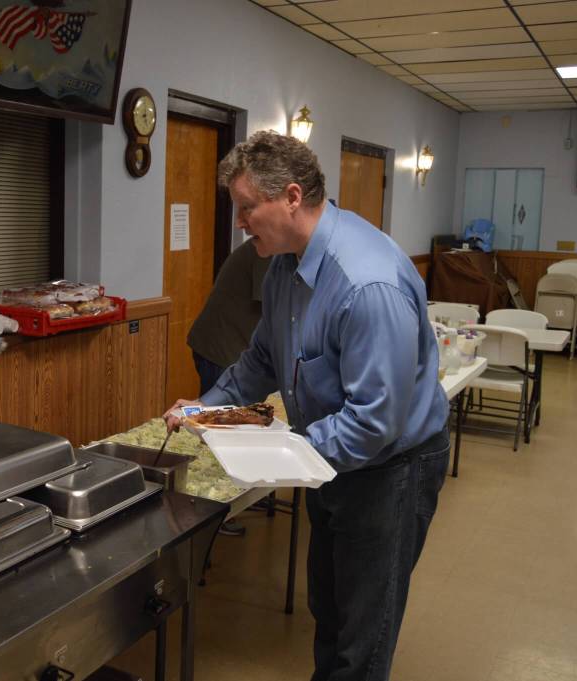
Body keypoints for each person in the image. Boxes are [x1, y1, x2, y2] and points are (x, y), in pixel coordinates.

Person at [164, 131, 450, 681]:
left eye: (248, 208)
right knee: (330, 608)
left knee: (364, 633)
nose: (240, 223)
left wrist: (280, 453)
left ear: (292, 197)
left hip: (392, 468)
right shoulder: (281, 266)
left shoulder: (366, 285)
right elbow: (260, 361)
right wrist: (205, 407)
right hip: (332, 461)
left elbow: (374, 422)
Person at [187, 237, 270, 395]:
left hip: (233, 345)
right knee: (220, 415)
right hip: (223, 348)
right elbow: (273, 308)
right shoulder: (269, 246)